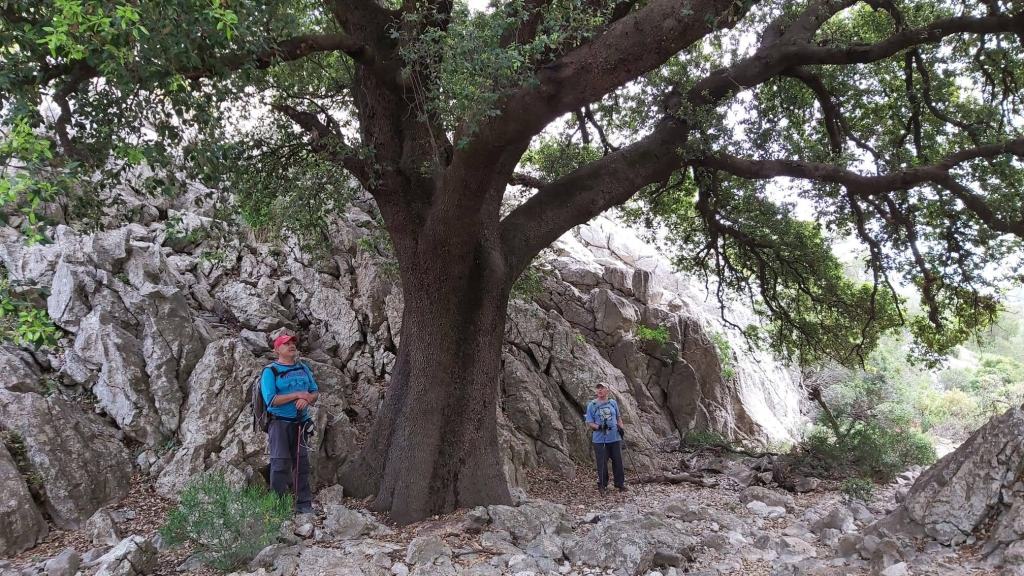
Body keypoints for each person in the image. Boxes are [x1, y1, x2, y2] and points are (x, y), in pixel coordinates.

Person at [261, 333, 319, 514]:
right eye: (286, 344)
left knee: (301, 464)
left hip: (301, 422)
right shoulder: (271, 371)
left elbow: (314, 391)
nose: (291, 345)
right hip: (279, 423)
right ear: (277, 349)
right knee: (279, 464)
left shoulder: (303, 368)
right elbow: (271, 400)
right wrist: (297, 395)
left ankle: (304, 505)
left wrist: (308, 398)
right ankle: (276, 507)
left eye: (293, 342)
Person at [585, 382, 625, 493]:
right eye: (598, 388)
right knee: (602, 463)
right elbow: (589, 422)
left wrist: (621, 427)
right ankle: (602, 485)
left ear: (607, 390)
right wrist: (599, 426)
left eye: (602, 388)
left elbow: (618, 417)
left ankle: (620, 484)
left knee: (618, 461)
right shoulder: (592, 405)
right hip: (599, 439)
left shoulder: (613, 403)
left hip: (615, 437)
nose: (600, 390)